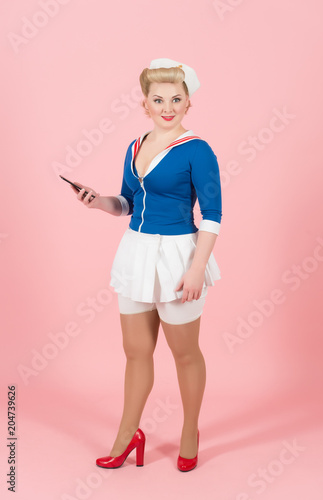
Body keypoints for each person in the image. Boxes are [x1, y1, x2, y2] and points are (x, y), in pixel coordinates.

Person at [71, 58, 222, 472]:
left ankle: (190, 431)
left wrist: (196, 268)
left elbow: (212, 215)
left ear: (188, 102)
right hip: (136, 253)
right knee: (136, 352)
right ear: (146, 104)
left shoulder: (198, 150)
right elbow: (126, 203)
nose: (167, 106)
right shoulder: (135, 146)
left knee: (185, 352)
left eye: (176, 98)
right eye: (158, 99)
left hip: (178, 254)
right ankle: (127, 434)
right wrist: (98, 201)